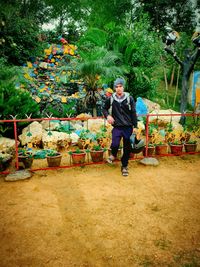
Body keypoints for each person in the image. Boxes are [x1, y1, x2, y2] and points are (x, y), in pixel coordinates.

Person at [103, 78, 138, 176]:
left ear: (123, 87)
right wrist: (108, 116)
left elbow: (133, 113)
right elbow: (104, 109)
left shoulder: (129, 98)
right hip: (117, 127)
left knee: (127, 148)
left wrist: (135, 126)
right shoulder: (111, 99)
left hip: (128, 127)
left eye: (120, 86)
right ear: (114, 88)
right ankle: (113, 154)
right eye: (116, 87)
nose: (118, 88)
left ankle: (124, 166)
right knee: (114, 144)